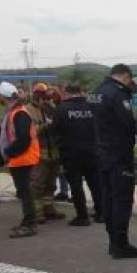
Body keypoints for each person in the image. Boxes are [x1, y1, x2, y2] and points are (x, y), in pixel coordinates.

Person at [92, 64, 137, 258]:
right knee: (122, 199)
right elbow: (127, 124)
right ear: (125, 76)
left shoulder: (97, 91)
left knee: (108, 198)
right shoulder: (117, 94)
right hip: (118, 154)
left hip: (101, 152)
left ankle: (113, 241)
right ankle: (120, 244)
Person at [0, 82, 41, 238]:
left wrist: (8, 151)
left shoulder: (18, 113)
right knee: (24, 192)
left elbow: (23, 139)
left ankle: (30, 224)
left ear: (4, 97)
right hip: (22, 158)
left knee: (25, 193)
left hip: (23, 158)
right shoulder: (16, 112)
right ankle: (28, 222)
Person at [52, 83, 103, 227]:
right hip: (93, 151)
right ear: (81, 92)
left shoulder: (61, 110)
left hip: (71, 153)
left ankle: (82, 216)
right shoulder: (92, 107)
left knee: (76, 185)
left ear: (66, 93)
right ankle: (101, 212)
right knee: (96, 184)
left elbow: (55, 131)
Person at [27, 82, 64, 223]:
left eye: (48, 96)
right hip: (39, 153)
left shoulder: (51, 108)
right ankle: (37, 212)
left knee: (51, 184)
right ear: (37, 95)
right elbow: (30, 131)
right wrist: (45, 125)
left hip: (53, 152)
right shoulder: (29, 110)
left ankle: (49, 208)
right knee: (37, 184)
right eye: (43, 96)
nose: (46, 99)